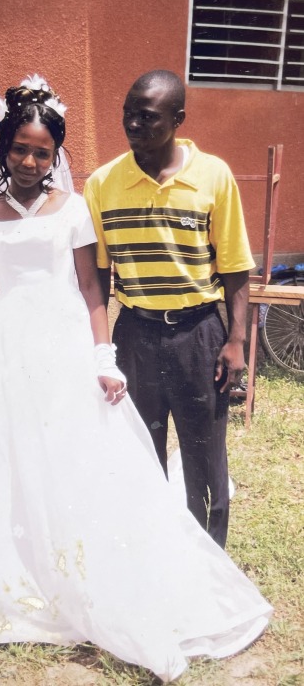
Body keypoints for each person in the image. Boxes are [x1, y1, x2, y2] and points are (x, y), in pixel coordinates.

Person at [0, 77, 271, 684]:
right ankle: (19, 564)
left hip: (100, 336)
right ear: (1, 148)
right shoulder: (14, 208)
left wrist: (106, 354)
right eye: (19, 148)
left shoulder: (83, 204)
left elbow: (94, 285)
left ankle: (181, 559)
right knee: (16, 455)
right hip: (13, 345)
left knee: (114, 452)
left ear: (56, 157)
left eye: (42, 152)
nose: (28, 161)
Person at [84, 70, 254, 549]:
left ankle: (208, 560)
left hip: (198, 333)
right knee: (141, 451)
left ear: (178, 119)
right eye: (128, 112)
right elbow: (97, 273)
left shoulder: (212, 176)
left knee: (205, 456)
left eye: (148, 116)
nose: (133, 124)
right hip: (135, 334)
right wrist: (100, 347)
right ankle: (154, 556)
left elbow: (236, 267)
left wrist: (236, 339)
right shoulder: (103, 183)